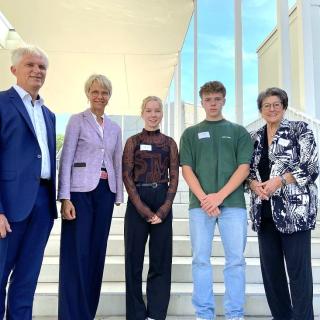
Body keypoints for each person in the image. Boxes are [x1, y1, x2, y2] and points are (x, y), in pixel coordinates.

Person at [179, 81, 253, 320]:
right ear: (202, 102)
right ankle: (204, 314)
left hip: (233, 206)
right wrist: (205, 198)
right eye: (208, 99)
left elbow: (244, 168)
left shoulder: (238, 131)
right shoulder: (190, 134)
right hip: (200, 207)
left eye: (217, 99)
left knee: (235, 261)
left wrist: (219, 197)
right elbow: (187, 169)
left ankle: (235, 314)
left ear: (224, 100)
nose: (212, 103)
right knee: (200, 260)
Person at [248, 87, 318, 320]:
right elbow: (247, 171)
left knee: (299, 275)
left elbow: (311, 167)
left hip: (295, 214)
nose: (272, 109)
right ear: (261, 110)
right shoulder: (254, 137)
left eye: (276, 104)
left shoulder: (301, 130)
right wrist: (252, 184)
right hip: (264, 214)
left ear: (284, 106)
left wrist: (280, 181)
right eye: (266, 105)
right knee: (272, 275)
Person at [58, 74, 123, 320]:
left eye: (104, 93)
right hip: (79, 193)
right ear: (88, 94)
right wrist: (65, 197)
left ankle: (87, 314)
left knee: (97, 252)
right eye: (95, 92)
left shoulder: (115, 127)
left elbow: (117, 160)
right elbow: (66, 159)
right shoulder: (77, 121)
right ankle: (70, 314)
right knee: (76, 253)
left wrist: (118, 194)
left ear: (109, 97)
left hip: (105, 194)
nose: (100, 97)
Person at [0, 45, 57, 319]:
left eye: (42, 67)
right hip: (9, 205)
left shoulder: (49, 114)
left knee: (27, 277)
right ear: (14, 70)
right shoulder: (1, 103)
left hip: (43, 203)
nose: (37, 70)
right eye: (30, 65)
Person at [122, 96, 179, 320]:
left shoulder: (170, 143)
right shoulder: (133, 141)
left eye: (157, 110)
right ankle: (136, 314)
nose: (153, 114)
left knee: (161, 260)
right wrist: (144, 210)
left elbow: (174, 176)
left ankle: (156, 313)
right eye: (149, 110)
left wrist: (164, 208)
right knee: (133, 260)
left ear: (161, 114)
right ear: (142, 113)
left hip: (162, 198)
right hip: (138, 199)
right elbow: (126, 176)